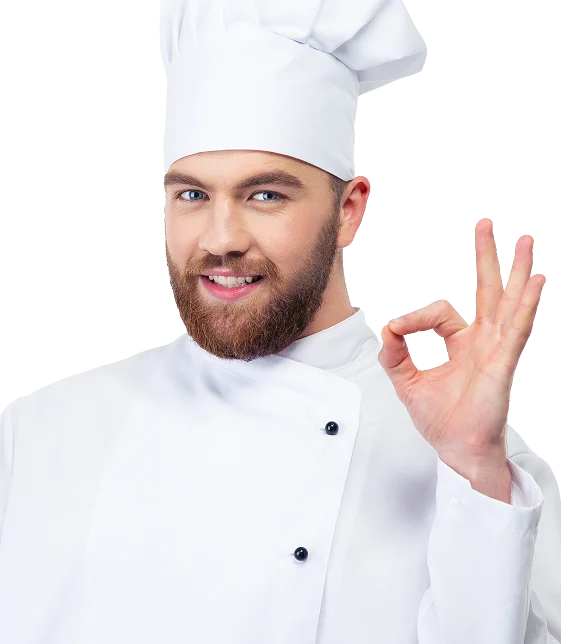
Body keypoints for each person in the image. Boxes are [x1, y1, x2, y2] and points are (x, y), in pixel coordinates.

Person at [1, 1, 560, 642]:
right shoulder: (42, 429)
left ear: (349, 211)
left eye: (265, 195)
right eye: (192, 194)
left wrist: (476, 468)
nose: (221, 239)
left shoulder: (476, 460)